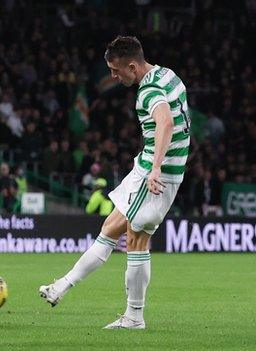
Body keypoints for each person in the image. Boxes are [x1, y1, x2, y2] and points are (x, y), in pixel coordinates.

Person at [39, 36, 190, 330]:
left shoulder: (149, 90)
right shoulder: (167, 74)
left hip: (153, 174)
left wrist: (156, 168)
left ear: (132, 66)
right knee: (123, 235)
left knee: (125, 237)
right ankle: (66, 290)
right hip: (154, 169)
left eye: (115, 70)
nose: (113, 76)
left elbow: (166, 122)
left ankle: (124, 313)